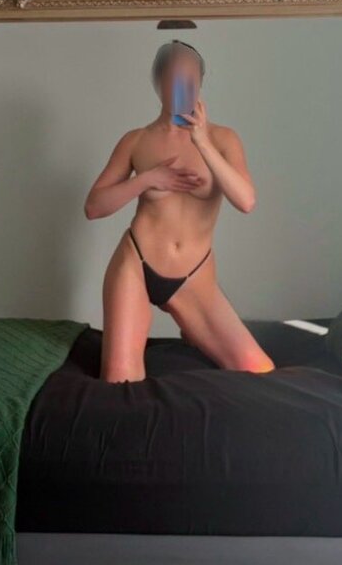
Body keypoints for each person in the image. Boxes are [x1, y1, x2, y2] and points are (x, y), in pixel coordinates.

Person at [84, 39, 276, 382]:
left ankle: (195, 333)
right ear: (158, 82)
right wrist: (147, 179)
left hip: (194, 273)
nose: (182, 87)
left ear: (200, 82)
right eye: (173, 78)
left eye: (190, 78)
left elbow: (246, 201)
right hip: (136, 263)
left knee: (259, 371)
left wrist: (201, 140)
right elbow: (94, 207)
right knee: (118, 380)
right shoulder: (136, 140)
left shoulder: (223, 138)